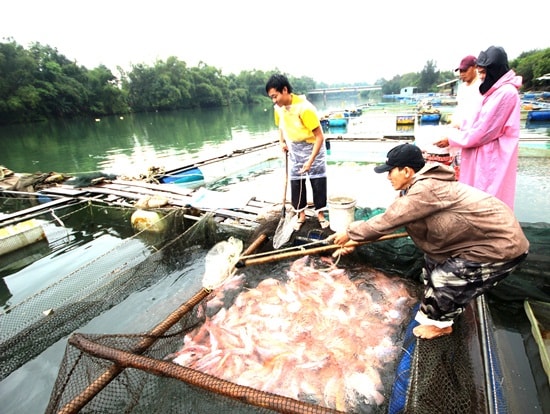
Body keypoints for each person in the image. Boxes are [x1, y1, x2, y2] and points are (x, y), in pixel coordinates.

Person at [330, 143, 529, 339]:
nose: (388, 176)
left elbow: (388, 220)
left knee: (444, 278)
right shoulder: (414, 188)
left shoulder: (426, 190)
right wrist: (357, 241)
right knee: (430, 267)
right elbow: (393, 218)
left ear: (406, 171)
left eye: (390, 171)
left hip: (501, 247)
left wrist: (349, 233)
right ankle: (442, 304)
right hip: (473, 240)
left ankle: (441, 325)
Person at [435, 46, 522, 209]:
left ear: (494, 71)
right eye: (480, 72)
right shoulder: (493, 92)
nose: (481, 77)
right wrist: (456, 130)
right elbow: (476, 121)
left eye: (483, 73)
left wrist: (452, 138)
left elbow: (483, 132)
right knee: (473, 199)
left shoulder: (506, 94)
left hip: (491, 157)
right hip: (479, 153)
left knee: (487, 201)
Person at [265, 73, 329, 230]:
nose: (274, 101)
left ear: (285, 90)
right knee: (296, 182)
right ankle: (301, 215)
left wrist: (310, 161)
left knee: (318, 181)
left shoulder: (305, 108)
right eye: (271, 98)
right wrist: (282, 141)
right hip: (295, 149)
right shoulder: (278, 109)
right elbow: (281, 126)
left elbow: (320, 137)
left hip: (313, 148)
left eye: (275, 96)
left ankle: (320, 214)